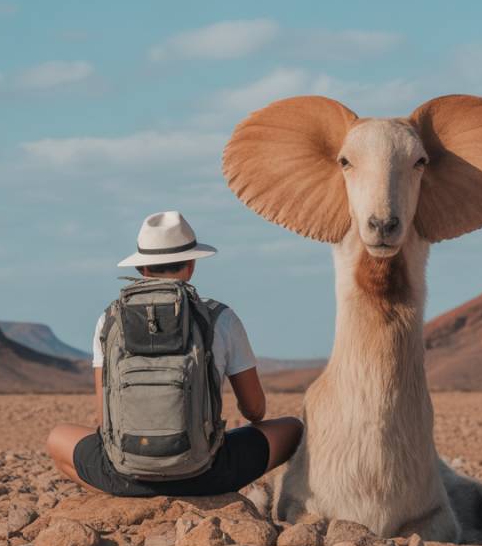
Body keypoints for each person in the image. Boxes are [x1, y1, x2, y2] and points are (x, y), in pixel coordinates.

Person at [46, 210, 303, 496]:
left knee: (57, 437)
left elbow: (103, 418)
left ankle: (133, 498)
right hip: (209, 474)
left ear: (141, 268)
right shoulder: (221, 318)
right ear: (191, 265)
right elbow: (256, 410)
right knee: (293, 428)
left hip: (126, 474)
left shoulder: (109, 320)